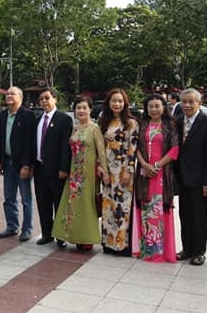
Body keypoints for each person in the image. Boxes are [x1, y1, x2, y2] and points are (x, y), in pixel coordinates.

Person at [53, 96, 109, 251]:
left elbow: (101, 152)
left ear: (90, 110)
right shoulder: (75, 128)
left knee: (86, 205)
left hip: (88, 173)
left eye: (84, 108)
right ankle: (74, 236)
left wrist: (104, 171)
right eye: (78, 108)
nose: (81, 111)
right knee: (73, 205)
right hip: (74, 172)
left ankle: (87, 239)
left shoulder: (94, 128)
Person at [133, 94, 180, 263]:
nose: (154, 109)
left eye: (157, 106)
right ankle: (146, 250)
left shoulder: (170, 125)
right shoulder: (142, 124)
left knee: (159, 210)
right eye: (150, 106)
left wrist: (157, 166)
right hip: (144, 173)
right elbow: (136, 147)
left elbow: (175, 149)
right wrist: (145, 165)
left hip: (161, 174)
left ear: (163, 107)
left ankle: (161, 252)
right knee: (145, 208)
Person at [174, 88, 207, 266]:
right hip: (181, 178)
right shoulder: (176, 122)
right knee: (185, 215)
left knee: (199, 216)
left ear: (199, 103)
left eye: (191, 102)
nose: (187, 105)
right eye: (184, 101)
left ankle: (199, 251)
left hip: (200, 180)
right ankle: (187, 248)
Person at [98, 88, 139, 256]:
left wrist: (129, 170)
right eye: (114, 101)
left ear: (125, 103)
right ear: (108, 103)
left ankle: (122, 245)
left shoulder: (131, 123)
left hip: (123, 172)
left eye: (120, 101)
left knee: (123, 208)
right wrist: (102, 169)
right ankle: (108, 244)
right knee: (108, 207)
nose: (117, 104)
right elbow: (99, 147)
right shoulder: (103, 121)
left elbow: (133, 148)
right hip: (107, 171)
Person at [0, 86, 36, 241]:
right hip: (7, 162)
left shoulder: (28, 115)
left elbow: (30, 142)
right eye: (7, 94)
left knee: (26, 198)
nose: (9, 96)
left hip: (22, 164)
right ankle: (12, 226)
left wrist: (27, 165)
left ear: (21, 97)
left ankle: (27, 228)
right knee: (9, 197)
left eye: (13, 93)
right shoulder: (3, 115)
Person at [33, 88, 73, 246]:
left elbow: (65, 146)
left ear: (55, 99)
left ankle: (60, 235)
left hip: (57, 170)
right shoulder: (38, 119)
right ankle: (47, 234)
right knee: (43, 203)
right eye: (41, 98)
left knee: (58, 203)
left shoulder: (64, 119)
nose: (44, 101)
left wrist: (64, 168)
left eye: (47, 98)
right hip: (39, 167)